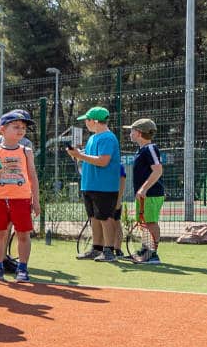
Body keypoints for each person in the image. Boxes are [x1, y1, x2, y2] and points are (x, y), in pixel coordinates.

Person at [0, 111, 41, 282]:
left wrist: (36, 200)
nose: (21, 130)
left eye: (23, 128)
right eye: (16, 127)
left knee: (23, 235)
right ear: (2, 129)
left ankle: (22, 269)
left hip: (22, 200)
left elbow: (32, 177)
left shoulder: (26, 151)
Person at [67, 106, 124, 261]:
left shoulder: (108, 138)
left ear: (95, 121)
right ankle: (96, 249)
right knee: (94, 218)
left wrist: (80, 156)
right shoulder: (93, 138)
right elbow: (89, 157)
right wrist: (76, 155)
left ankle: (109, 251)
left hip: (104, 187)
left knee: (106, 218)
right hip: (89, 185)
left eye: (87, 120)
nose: (85, 123)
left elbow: (103, 161)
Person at [126, 118, 166, 264]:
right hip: (144, 194)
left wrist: (143, 189)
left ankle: (152, 254)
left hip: (152, 194)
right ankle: (145, 250)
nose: (130, 134)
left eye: (131, 131)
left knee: (150, 222)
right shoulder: (141, 150)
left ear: (138, 132)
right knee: (144, 223)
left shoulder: (150, 148)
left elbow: (158, 170)